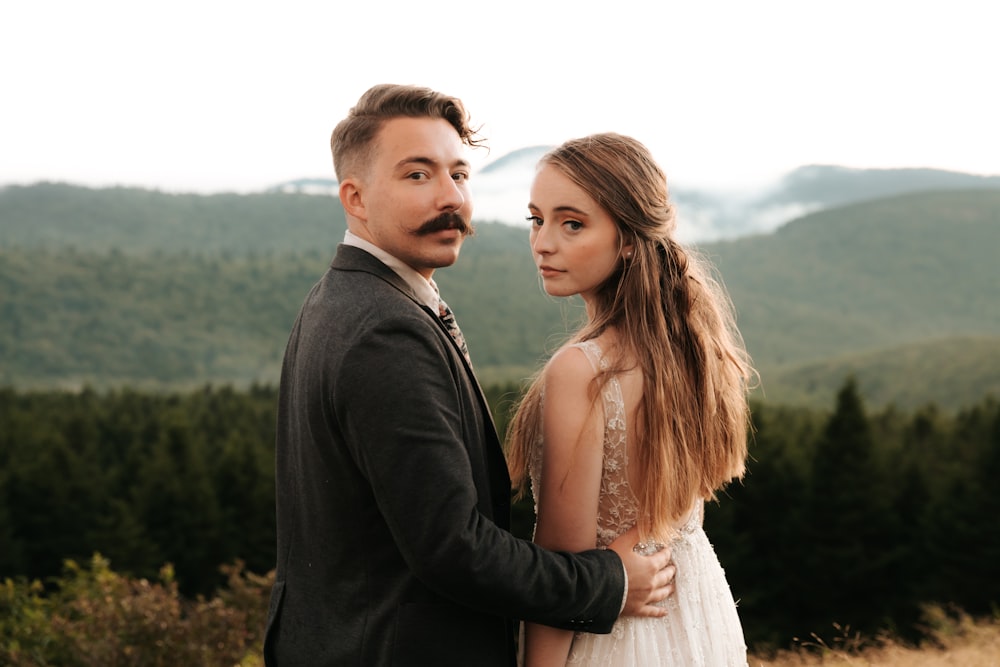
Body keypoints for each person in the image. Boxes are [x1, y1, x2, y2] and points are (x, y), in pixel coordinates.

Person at [263, 85, 676, 667]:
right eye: (417, 175)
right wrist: (607, 583)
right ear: (354, 197)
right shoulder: (385, 331)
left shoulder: (340, 300)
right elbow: (452, 549)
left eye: (459, 175)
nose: (450, 197)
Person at [506, 133, 755, 666]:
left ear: (626, 238)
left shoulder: (584, 371)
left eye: (572, 223)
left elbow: (562, 565)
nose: (543, 242)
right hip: (697, 622)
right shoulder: (693, 349)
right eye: (536, 219)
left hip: (616, 633)